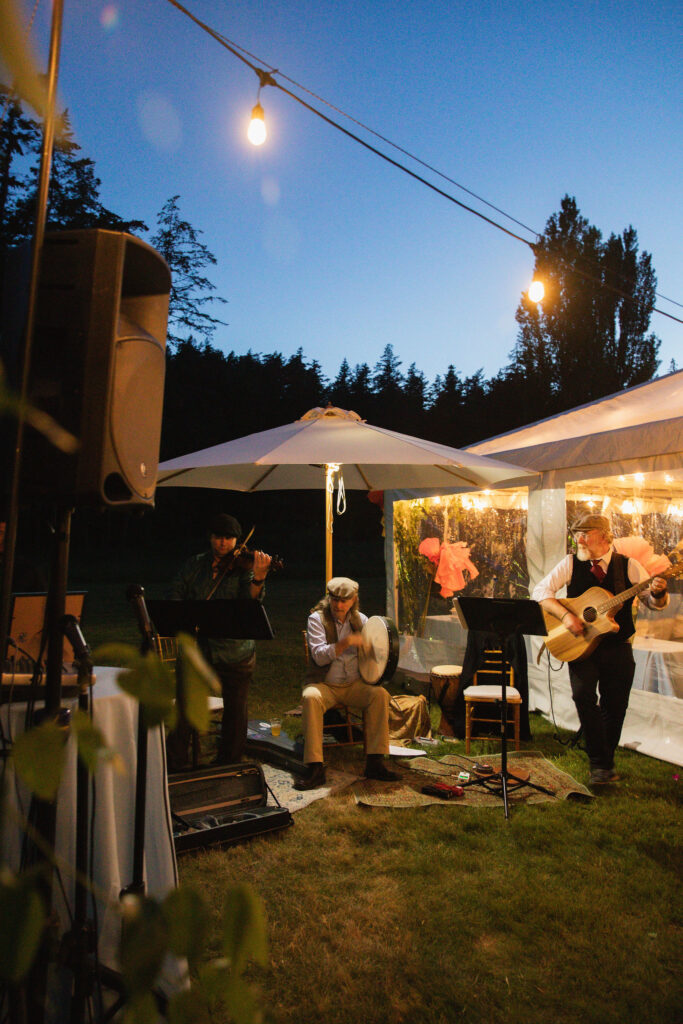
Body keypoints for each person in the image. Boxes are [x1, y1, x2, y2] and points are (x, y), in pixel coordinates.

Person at [532, 514, 668, 786]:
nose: (578, 539)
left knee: (615, 705)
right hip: (581, 645)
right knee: (583, 696)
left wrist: (658, 593)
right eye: (576, 534)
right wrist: (566, 616)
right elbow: (540, 591)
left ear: (605, 536)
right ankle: (600, 762)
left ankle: (603, 764)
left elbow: (653, 603)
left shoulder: (628, 566)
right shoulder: (570, 563)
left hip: (617, 646)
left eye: (585, 533)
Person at [168, 513, 271, 766]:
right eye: (218, 538)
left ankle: (229, 762)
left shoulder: (244, 568)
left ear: (237, 540)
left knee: (235, 710)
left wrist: (258, 578)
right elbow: (175, 595)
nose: (223, 544)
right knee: (185, 705)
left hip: (236, 651)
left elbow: (250, 604)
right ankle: (176, 761)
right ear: (210, 538)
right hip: (199, 648)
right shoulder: (195, 565)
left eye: (228, 539)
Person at [296, 576, 400, 791]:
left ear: (354, 600)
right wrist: (345, 643)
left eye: (344, 601)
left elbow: (374, 653)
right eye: (335, 600)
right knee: (310, 697)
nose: (339, 605)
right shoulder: (317, 619)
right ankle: (315, 766)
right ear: (329, 598)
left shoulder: (362, 620)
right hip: (325, 684)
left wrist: (384, 648)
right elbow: (319, 657)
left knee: (379, 695)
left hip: (353, 684)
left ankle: (375, 762)